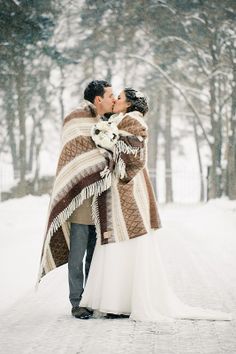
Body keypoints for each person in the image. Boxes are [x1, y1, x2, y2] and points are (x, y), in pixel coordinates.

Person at [79, 88, 232, 322]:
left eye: (119, 98)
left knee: (126, 239)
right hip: (118, 189)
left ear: (129, 104)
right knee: (118, 240)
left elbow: (135, 155)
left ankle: (121, 302)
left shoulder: (133, 120)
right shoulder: (119, 120)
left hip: (127, 188)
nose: (116, 101)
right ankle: (117, 301)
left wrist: (111, 144)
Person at [38, 80, 116, 319]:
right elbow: (74, 156)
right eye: (110, 95)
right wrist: (101, 155)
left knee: (97, 254)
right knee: (78, 253)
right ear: (98, 98)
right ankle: (77, 301)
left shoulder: (108, 123)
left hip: (102, 199)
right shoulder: (75, 119)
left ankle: (92, 298)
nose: (114, 99)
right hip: (80, 199)